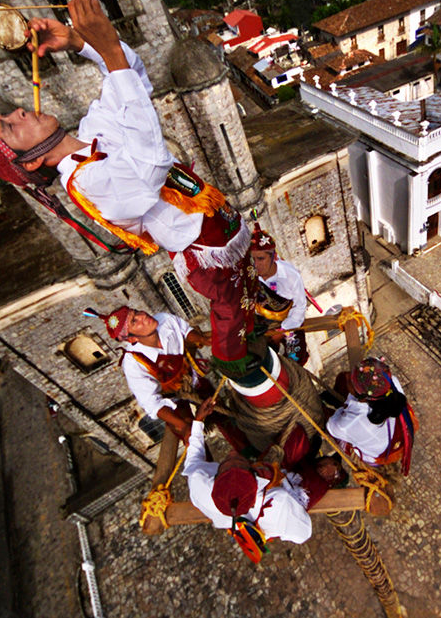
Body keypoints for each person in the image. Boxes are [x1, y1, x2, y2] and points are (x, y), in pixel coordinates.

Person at [0, 0, 255, 378]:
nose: (19, 112)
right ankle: (235, 363)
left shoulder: (91, 131)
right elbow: (150, 166)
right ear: (32, 161)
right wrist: (108, 48)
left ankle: (256, 326)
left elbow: (133, 79)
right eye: (11, 127)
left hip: (213, 220)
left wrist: (80, 44)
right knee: (231, 309)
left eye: (8, 115)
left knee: (250, 284)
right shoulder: (84, 183)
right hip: (200, 247)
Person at [105, 305, 246, 450]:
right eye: (134, 321)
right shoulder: (134, 363)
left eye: (136, 312)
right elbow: (151, 402)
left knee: (220, 411)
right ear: (132, 338)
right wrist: (184, 427)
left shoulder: (164, 320)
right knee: (191, 438)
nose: (142, 316)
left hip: (192, 379)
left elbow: (184, 330)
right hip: (171, 400)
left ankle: (247, 452)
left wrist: (201, 339)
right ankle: (206, 467)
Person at [183, 396, 315, 549]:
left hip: (242, 520)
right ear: (254, 475)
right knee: (298, 440)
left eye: (228, 460)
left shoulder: (199, 485)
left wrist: (198, 421)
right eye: (239, 461)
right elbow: (303, 534)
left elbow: (193, 459)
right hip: (290, 488)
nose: (232, 452)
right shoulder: (279, 501)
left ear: (217, 477)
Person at [326, 357, 417, 475]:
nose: (348, 376)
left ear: (363, 398)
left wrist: (341, 411)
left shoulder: (350, 425)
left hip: (377, 452)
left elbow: (331, 426)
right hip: (394, 436)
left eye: (351, 381)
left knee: (324, 414)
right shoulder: (390, 382)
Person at [249, 224, 310, 365]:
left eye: (261, 259)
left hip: (289, 320)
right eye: (253, 260)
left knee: (296, 359)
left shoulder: (291, 276)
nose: (256, 265)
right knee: (262, 360)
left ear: (274, 256)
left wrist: (282, 331)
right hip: (263, 321)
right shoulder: (249, 275)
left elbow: (300, 307)